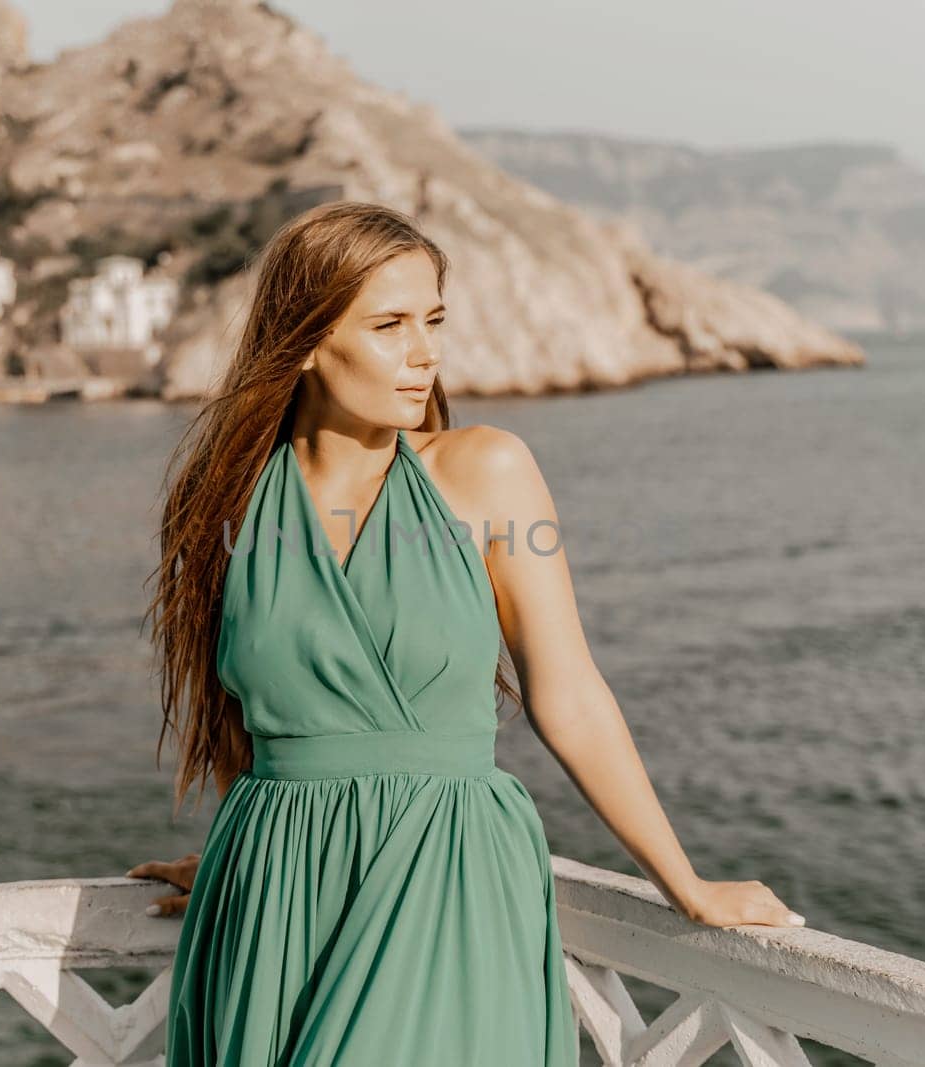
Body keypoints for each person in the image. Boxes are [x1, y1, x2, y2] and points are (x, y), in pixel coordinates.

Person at [129, 200, 805, 1066]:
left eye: (434, 321)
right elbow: (240, 713)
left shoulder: (486, 472)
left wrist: (686, 884)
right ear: (303, 340)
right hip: (270, 887)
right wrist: (233, 851)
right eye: (391, 325)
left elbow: (569, 694)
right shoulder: (224, 504)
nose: (427, 353)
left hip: (446, 869)